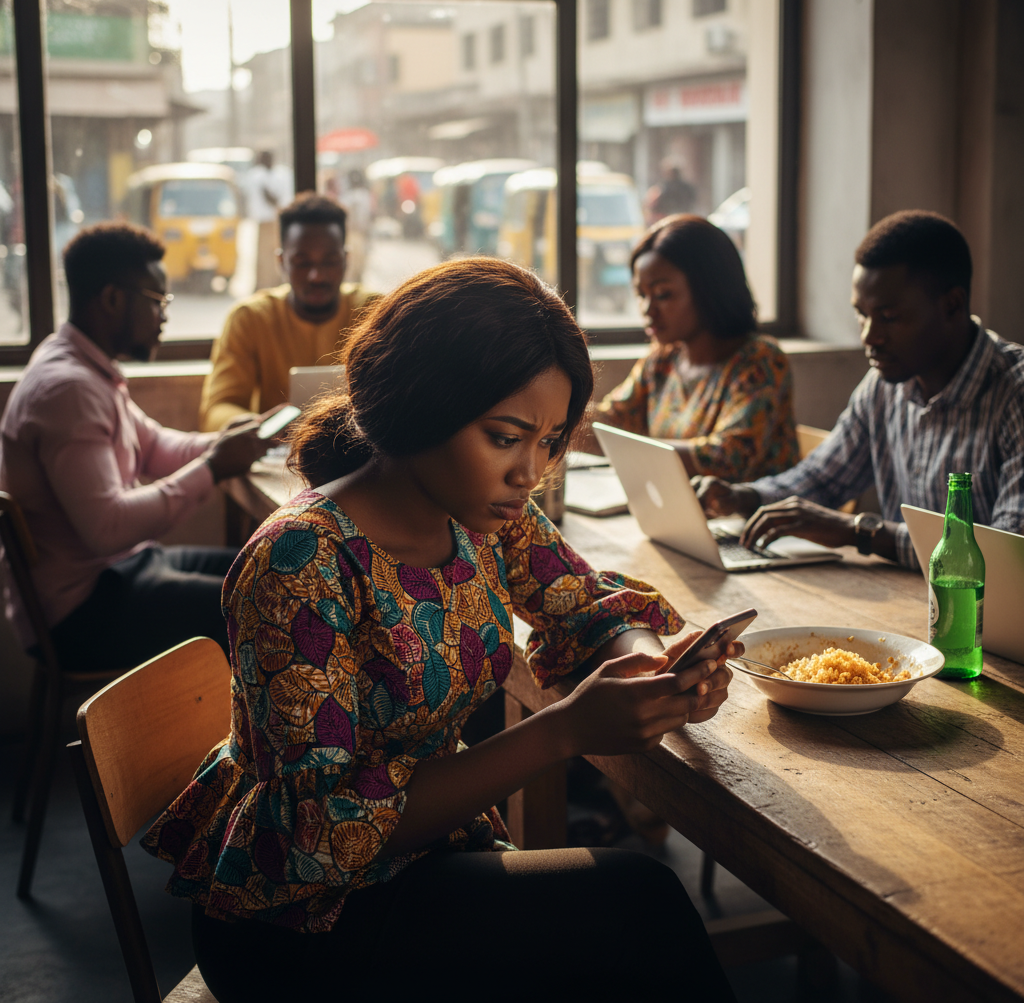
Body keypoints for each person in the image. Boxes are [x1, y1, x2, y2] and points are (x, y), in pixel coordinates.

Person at [142, 258, 739, 1002]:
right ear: (422, 405)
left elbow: (589, 606)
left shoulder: (485, 516)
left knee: (624, 917)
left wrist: (653, 666)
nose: (533, 471)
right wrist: (563, 731)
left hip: (424, 859)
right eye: (506, 436)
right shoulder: (301, 560)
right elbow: (323, 832)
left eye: (551, 441)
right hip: (301, 925)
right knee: (635, 906)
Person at [0, 222, 270, 671]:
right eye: (157, 301)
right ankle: (264, 740)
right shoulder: (68, 389)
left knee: (268, 569)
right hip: (83, 610)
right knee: (266, 604)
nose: (165, 315)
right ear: (111, 299)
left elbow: (154, 446)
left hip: (123, 569)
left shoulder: (84, 366)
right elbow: (107, 527)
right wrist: (214, 467)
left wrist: (227, 443)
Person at [694, 210, 1024, 569]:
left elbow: (1007, 559)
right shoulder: (884, 384)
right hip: (905, 600)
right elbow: (823, 478)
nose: (869, 336)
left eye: (889, 317)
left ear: (952, 305)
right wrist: (742, 497)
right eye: (861, 315)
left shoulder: (1014, 393)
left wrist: (860, 532)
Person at [593, 214, 800, 481]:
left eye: (663, 294)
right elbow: (613, 420)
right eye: (641, 295)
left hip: (752, 519)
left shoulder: (761, 362)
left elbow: (728, 458)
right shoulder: (662, 360)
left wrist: (631, 449)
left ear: (709, 289)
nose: (647, 310)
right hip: (683, 515)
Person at [199, 192, 376, 432]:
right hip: (276, 458)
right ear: (281, 262)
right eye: (302, 263)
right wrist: (263, 428)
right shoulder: (251, 319)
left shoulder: (374, 313)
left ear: (346, 260)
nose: (317, 276)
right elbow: (218, 409)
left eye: (329, 261)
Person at [245, 150, 287, 292]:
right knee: (264, 256)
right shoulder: (258, 175)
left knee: (273, 253)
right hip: (264, 220)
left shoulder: (278, 174)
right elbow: (269, 197)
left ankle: (273, 283)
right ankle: (263, 285)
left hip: (274, 220)